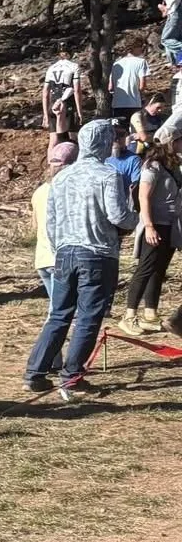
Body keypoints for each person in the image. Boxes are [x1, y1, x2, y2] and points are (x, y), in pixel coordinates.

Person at [24, 120, 137, 400]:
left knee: (59, 314)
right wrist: (135, 218)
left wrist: (61, 244)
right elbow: (118, 217)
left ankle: (35, 372)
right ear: (103, 143)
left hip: (63, 253)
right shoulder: (107, 176)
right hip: (97, 253)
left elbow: (49, 222)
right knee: (88, 316)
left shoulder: (61, 177)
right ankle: (71, 376)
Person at [119, 129, 180, 335]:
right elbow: (144, 197)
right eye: (179, 141)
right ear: (170, 143)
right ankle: (129, 316)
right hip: (154, 224)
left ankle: (150, 313)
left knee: (159, 269)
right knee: (145, 268)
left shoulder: (172, 166)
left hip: (170, 225)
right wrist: (149, 226)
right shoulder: (152, 167)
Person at [31, 140, 77, 304]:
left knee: (56, 312)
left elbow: (35, 225)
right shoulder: (68, 192)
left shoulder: (40, 191)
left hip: (42, 259)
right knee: (69, 313)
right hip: (61, 259)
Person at [42, 49, 83, 133]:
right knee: (71, 139)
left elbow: (45, 93)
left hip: (53, 104)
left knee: (53, 142)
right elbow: (76, 90)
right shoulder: (74, 66)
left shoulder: (51, 68)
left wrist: (45, 114)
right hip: (67, 104)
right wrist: (79, 112)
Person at [106, 120, 143, 211]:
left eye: (121, 134)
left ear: (127, 135)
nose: (116, 138)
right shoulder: (98, 158)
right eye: (112, 133)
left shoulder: (134, 160)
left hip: (122, 209)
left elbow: (135, 189)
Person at [108, 45, 149, 126]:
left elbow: (110, 87)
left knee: (120, 132)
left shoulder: (116, 64)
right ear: (134, 47)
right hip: (134, 103)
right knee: (135, 130)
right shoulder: (141, 62)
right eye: (140, 46)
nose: (142, 49)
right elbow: (142, 86)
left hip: (117, 104)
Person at [160, 0, 182, 67]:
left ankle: (176, 61)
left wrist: (166, 9)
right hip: (176, 16)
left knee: (165, 39)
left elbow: (172, 0)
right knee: (174, 39)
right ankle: (176, 62)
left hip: (173, 16)